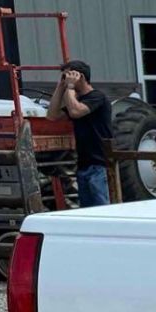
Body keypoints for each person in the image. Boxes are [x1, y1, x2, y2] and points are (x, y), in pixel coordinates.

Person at [49, 59, 113, 207]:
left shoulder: (97, 97)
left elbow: (76, 111)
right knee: (87, 210)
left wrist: (70, 87)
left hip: (100, 164)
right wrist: (60, 87)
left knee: (102, 208)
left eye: (69, 76)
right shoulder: (75, 99)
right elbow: (52, 115)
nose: (67, 80)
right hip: (84, 164)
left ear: (81, 77)